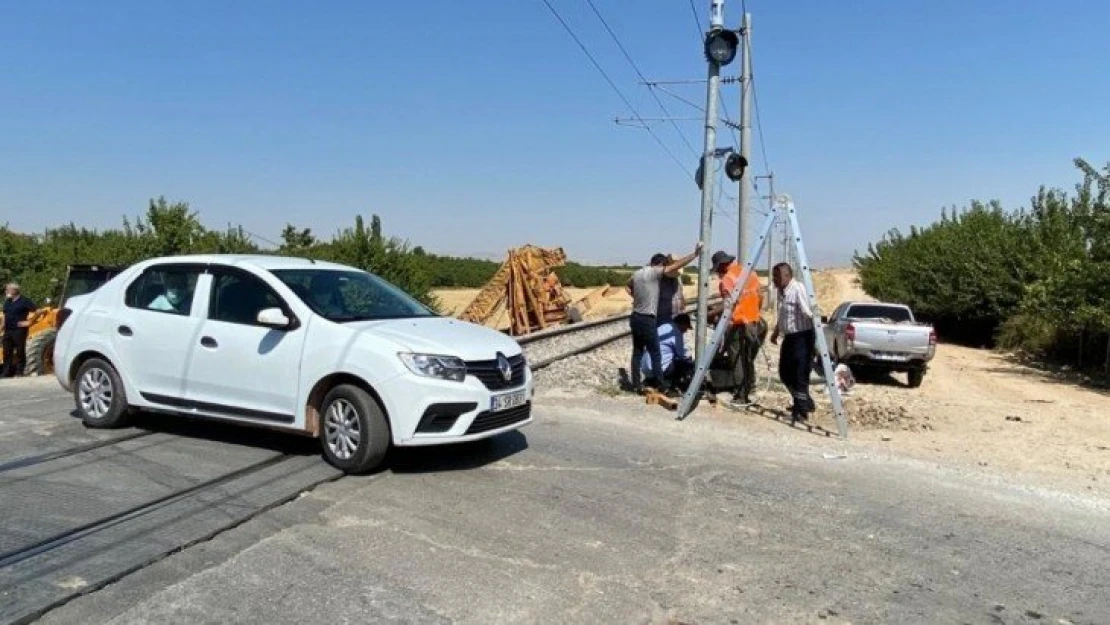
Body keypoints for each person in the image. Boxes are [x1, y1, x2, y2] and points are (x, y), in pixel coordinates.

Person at [627, 242, 702, 392]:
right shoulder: (655, 273)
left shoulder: (637, 273)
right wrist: (695, 254)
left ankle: (636, 385)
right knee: (655, 352)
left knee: (638, 352)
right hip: (649, 318)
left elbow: (627, 286)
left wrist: (638, 298)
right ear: (658, 265)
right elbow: (674, 267)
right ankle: (661, 385)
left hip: (635, 316)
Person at [707, 251, 767, 406]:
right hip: (755, 322)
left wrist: (709, 313)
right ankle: (750, 386)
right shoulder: (749, 273)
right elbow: (760, 296)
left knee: (737, 360)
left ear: (721, 266)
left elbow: (727, 306)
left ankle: (741, 396)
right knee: (748, 357)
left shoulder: (726, 280)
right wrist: (753, 313)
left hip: (738, 324)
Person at [769, 262, 816, 422]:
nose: (774, 279)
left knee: (800, 374)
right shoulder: (782, 292)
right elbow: (784, 315)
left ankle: (801, 412)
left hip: (803, 337)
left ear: (787, 276)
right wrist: (776, 332)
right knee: (785, 373)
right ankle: (805, 402)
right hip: (789, 338)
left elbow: (807, 311)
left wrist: (818, 320)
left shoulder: (798, 289)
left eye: (777, 276)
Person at [639, 313, 694, 392]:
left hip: (645, 368)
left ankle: (650, 381)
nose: (685, 331)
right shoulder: (676, 333)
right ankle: (671, 385)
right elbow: (682, 355)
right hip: (659, 370)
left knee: (667, 357)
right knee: (685, 364)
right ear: (682, 324)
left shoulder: (663, 327)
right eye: (686, 328)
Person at [2, 283, 38, 378]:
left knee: (19, 351)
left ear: (14, 291)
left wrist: (30, 322)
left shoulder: (25, 301)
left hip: (19, 330)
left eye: (7, 290)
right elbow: (5, 315)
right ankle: (6, 372)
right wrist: (2, 326)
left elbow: (38, 311)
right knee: (7, 351)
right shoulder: (8, 301)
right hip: (8, 330)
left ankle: (19, 372)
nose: (6, 291)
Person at [654, 255, 686, 328]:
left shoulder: (678, 278)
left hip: (677, 316)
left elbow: (680, 291)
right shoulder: (658, 279)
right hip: (662, 318)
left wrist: (682, 304)